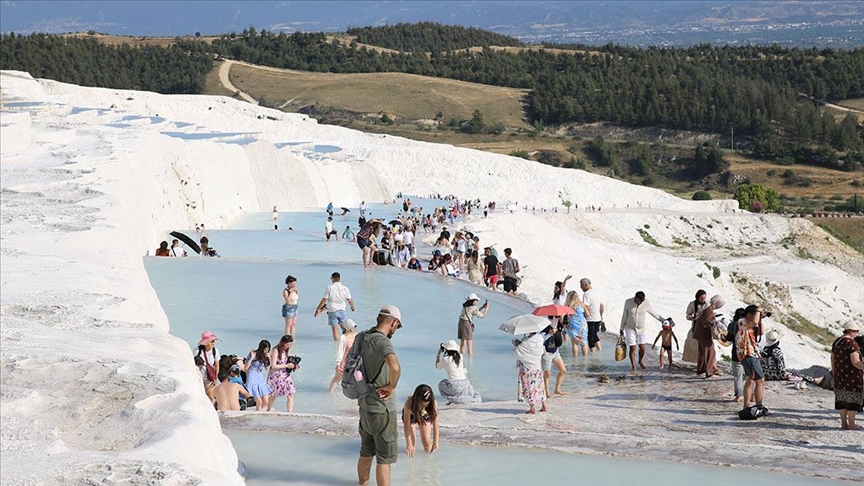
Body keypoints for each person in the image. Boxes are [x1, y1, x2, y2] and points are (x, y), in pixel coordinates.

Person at [353, 306, 403, 486]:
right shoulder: (383, 342)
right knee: (384, 458)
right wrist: (391, 386)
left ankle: (363, 484)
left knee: (366, 452)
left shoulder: (361, 337)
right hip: (382, 408)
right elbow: (395, 367)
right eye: (397, 326)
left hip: (364, 404)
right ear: (393, 323)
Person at [619, 291, 664, 372]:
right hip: (630, 328)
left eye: (641, 301)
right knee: (632, 347)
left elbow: (654, 313)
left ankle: (640, 361)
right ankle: (633, 367)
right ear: (635, 298)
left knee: (642, 348)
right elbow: (624, 315)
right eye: (638, 301)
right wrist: (621, 328)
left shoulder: (646, 303)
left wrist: (663, 320)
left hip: (641, 329)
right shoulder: (628, 302)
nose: (640, 303)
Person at [831, 322, 863, 430]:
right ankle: (852, 424)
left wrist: (835, 372)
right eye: (856, 331)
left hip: (839, 375)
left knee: (842, 400)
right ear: (851, 331)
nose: (857, 334)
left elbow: (832, 358)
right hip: (852, 376)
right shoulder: (852, 343)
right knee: (852, 400)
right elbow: (855, 362)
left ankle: (844, 423)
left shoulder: (837, 341)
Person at [737, 305, 767, 415]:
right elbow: (754, 322)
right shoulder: (743, 321)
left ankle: (746, 406)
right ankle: (759, 406)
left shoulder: (748, 324)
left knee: (750, 379)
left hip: (749, 353)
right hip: (748, 354)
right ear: (749, 314)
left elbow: (761, 332)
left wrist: (760, 319)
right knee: (760, 380)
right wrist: (759, 310)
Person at [435, 340, 481, 404]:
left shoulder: (446, 359)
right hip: (465, 383)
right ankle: (454, 398)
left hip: (455, 385)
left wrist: (438, 354)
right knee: (450, 383)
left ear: (447, 349)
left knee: (441, 384)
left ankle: (452, 399)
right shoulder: (461, 357)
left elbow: (437, 366)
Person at [513, 330, 547, 414]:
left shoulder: (525, 342)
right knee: (540, 386)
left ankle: (532, 408)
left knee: (529, 387)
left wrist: (517, 345)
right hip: (537, 367)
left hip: (527, 368)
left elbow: (517, 352)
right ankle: (544, 405)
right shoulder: (540, 338)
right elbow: (542, 350)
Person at [314, 272, 356, 341]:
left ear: (333, 278)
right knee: (345, 327)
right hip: (342, 310)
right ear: (339, 278)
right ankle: (347, 341)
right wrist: (352, 306)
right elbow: (349, 300)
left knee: (335, 329)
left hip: (332, 310)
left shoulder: (329, 287)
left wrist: (318, 309)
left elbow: (324, 299)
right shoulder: (345, 288)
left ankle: (337, 344)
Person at [402, 384, 440, 458]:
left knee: (426, 441)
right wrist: (409, 444)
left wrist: (436, 441)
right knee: (412, 442)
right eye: (422, 405)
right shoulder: (408, 404)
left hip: (424, 414)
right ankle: (412, 462)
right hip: (412, 414)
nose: (423, 407)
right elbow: (406, 426)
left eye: (426, 405)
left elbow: (436, 424)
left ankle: (428, 461)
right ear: (417, 401)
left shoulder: (433, 405)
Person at [693, 294, 723, 378]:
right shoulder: (709, 310)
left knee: (703, 353)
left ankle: (701, 370)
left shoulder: (707, 309)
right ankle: (709, 373)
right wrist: (715, 322)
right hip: (704, 334)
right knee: (710, 353)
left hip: (699, 334)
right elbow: (707, 321)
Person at [267, 334, 299, 413]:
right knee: (274, 395)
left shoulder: (286, 350)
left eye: (290, 345)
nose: (288, 347)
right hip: (276, 376)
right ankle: (268, 410)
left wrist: (294, 365)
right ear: (282, 343)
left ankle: (290, 413)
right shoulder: (276, 350)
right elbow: (273, 366)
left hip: (286, 375)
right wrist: (286, 365)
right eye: (287, 345)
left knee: (290, 394)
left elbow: (287, 360)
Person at [329, 319, 358, 393]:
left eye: (354, 326)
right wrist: (338, 363)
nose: (354, 328)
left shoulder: (357, 336)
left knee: (355, 378)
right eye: (353, 327)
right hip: (344, 361)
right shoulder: (342, 337)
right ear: (348, 327)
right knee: (337, 378)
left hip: (354, 361)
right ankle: (330, 393)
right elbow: (340, 351)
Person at [243, 340, 272, 412]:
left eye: (268, 349)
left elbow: (267, 368)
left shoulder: (265, 356)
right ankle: (257, 412)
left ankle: (257, 412)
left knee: (266, 401)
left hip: (259, 376)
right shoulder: (253, 353)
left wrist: (269, 359)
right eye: (265, 349)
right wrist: (251, 358)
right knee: (259, 401)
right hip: (252, 375)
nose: (266, 351)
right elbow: (246, 367)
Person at [725, 307, 746, 402]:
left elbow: (728, 338)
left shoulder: (732, 326)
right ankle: (752, 395)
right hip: (748, 352)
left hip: (736, 352)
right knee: (750, 376)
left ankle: (738, 396)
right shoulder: (748, 325)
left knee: (738, 376)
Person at [542, 322, 566, 397]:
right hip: (547, 354)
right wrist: (550, 334)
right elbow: (541, 340)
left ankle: (557, 389)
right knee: (547, 374)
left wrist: (557, 332)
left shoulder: (555, 325)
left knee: (563, 370)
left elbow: (559, 340)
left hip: (555, 352)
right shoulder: (542, 330)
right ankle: (547, 392)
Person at [580, 278, 605, 353]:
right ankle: (600, 351)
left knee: (590, 338)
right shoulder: (598, 293)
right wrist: (601, 316)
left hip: (590, 319)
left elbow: (586, 307)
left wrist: (583, 317)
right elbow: (602, 306)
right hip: (598, 318)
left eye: (581, 286)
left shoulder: (586, 294)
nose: (581, 288)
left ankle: (593, 356)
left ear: (585, 285)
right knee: (594, 335)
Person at [564, 291, 589, 357]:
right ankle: (585, 358)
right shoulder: (581, 304)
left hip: (573, 324)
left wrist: (563, 323)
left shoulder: (568, 305)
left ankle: (575, 359)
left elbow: (564, 315)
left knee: (574, 343)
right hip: (582, 325)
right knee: (584, 342)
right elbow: (587, 314)